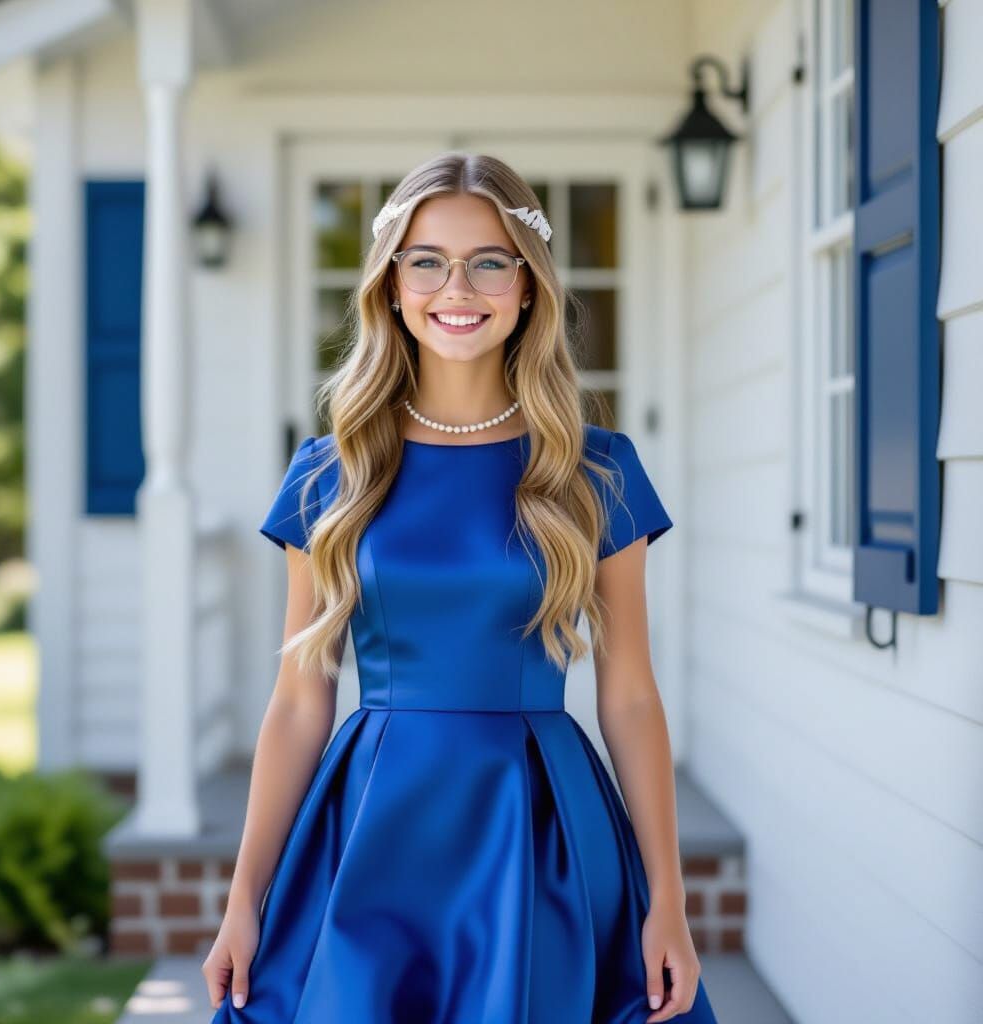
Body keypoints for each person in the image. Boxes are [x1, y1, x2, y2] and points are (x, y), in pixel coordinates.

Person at [203, 152, 719, 1023]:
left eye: (489, 260)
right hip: (371, 824)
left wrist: (668, 898)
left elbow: (629, 695)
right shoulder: (332, 474)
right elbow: (299, 699)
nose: (458, 286)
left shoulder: (596, 470)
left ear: (527, 287)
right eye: (427, 260)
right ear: (393, 286)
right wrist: (244, 898)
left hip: (537, 822)